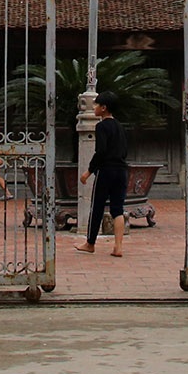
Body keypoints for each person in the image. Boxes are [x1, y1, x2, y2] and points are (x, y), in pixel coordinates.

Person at [75, 94, 129, 257]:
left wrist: (89, 171)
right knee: (117, 209)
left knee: (97, 206)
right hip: (122, 170)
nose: (94, 108)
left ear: (103, 108)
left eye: (96, 105)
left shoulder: (101, 127)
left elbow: (101, 151)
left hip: (106, 171)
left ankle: (90, 243)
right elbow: (125, 150)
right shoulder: (120, 126)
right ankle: (118, 246)